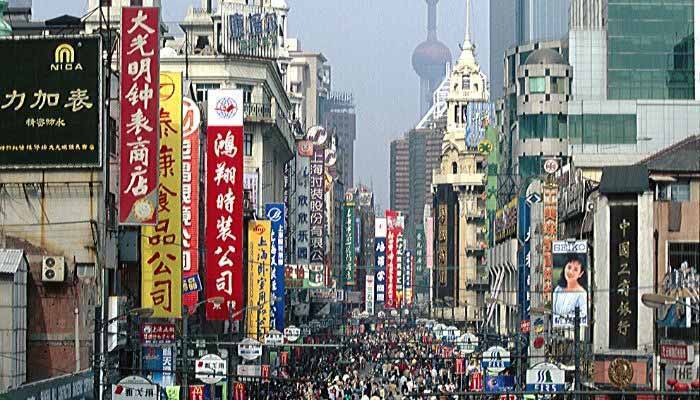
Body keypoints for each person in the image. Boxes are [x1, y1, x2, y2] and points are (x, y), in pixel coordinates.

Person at [553, 253, 588, 325]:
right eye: (569, 267)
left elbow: (583, 317)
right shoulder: (558, 289)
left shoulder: (582, 294)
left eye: (575, 269)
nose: (571, 272)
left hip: (575, 332)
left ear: (580, 273)